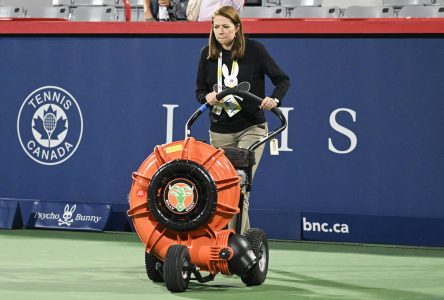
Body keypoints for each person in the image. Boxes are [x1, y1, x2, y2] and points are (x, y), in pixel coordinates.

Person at [195, 6, 290, 234]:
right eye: (216, 27)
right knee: (222, 190)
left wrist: (274, 99)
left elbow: (282, 80)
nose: (220, 31)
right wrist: (206, 97)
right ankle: (234, 243)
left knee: (239, 185)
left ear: (237, 28)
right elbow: (200, 91)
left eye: (226, 27)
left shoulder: (255, 50)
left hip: (251, 128)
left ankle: (235, 244)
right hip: (219, 131)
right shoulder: (206, 55)